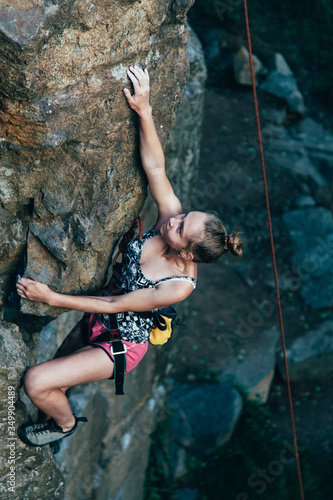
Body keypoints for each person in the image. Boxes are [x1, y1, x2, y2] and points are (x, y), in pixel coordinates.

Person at [16, 65, 243, 448]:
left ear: (188, 253)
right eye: (187, 215)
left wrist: (51, 298)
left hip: (120, 343)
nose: (175, 219)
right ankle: (55, 412)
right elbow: (155, 167)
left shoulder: (177, 286)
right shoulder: (171, 222)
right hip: (98, 317)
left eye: (182, 227)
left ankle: (65, 424)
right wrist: (145, 110)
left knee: (36, 381)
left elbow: (118, 302)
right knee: (59, 377)